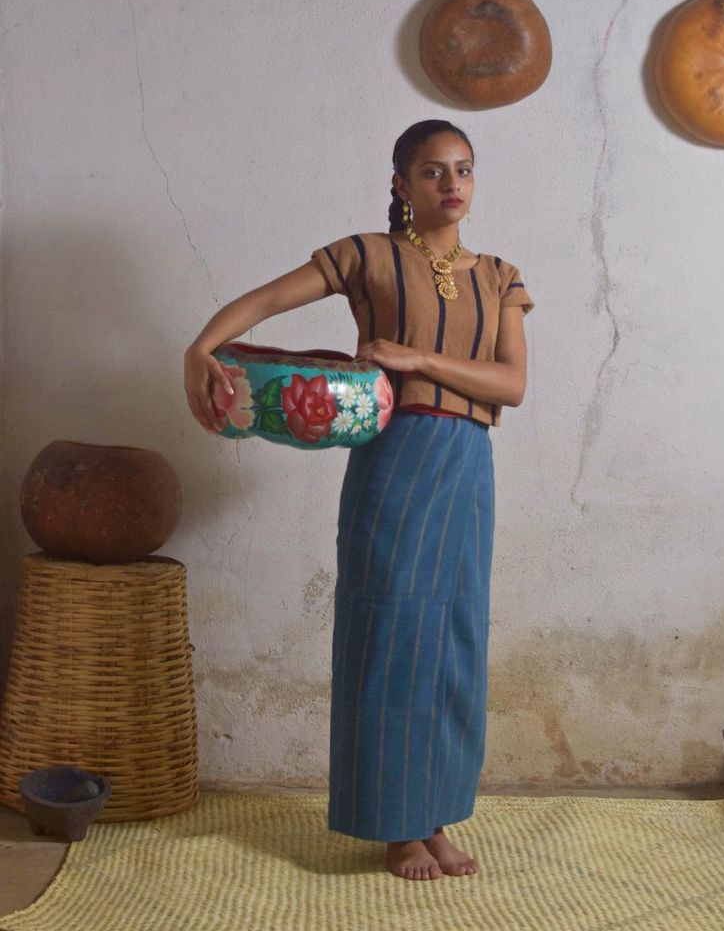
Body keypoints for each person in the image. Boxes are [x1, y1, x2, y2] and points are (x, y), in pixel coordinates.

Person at [184, 119, 535, 881]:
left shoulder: (500, 275)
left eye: (463, 168)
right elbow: (269, 298)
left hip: (467, 466)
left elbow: (510, 384)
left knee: (454, 639)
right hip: (396, 458)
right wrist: (200, 348)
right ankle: (394, 828)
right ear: (401, 184)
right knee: (390, 631)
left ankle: (435, 817)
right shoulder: (367, 255)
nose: (451, 183)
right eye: (432, 171)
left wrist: (417, 359)